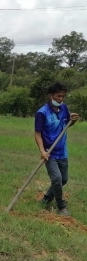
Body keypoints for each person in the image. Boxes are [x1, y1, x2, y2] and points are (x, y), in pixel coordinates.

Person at [35, 82, 79, 216]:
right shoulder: (42, 113)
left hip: (62, 151)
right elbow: (37, 134)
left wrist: (73, 120)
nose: (61, 99)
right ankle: (61, 206)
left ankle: (46, 199)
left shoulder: (64, 108)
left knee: (63, 179)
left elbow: (66, 125)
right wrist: (42, 151)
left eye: (63, 96)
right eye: (58, 96)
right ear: (51, 96)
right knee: (57, 179)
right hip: (49, 152)